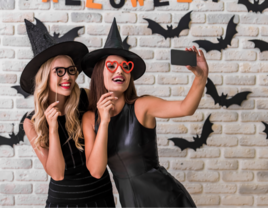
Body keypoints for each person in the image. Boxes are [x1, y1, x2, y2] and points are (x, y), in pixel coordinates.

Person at [81, 18, 208, 208]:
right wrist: (105, 121)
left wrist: (201, 77)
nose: (120, 71)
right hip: (132, 202)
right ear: (100, 71)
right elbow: (96, 171)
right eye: (112, 66)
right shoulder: (90, 118)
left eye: (126, 67)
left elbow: (185, 108)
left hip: (167, 199)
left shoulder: (142, 106)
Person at [22, 18, 115, 208]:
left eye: (71, 70)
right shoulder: (31, 122)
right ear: (45, 76)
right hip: (64, 202)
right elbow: (56, 174)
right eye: (59, 71)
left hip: (100, 196)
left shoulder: (86, 98)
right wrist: (54, 129)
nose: (68, 77)